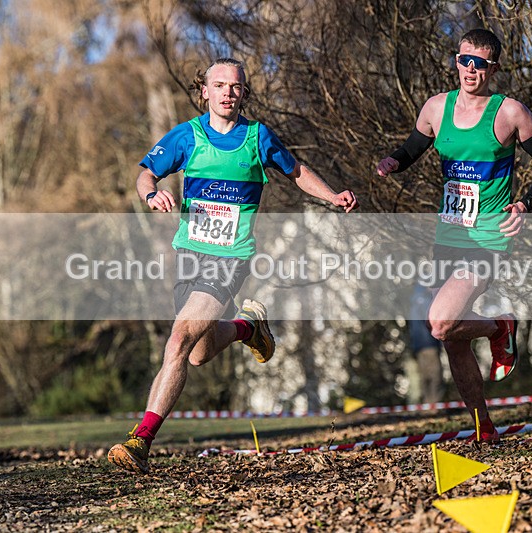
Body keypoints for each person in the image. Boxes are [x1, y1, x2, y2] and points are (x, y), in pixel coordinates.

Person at [109, 58, 358, 473]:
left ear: (244, 93)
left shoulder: (258, 138)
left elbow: (295, 171)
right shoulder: (186, 136)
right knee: (197, 354)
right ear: (204, 91)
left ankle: (141, 441)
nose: (228, 92)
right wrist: (151, 195)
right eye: (219, 85)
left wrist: (331, 196)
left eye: (236, 86)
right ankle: (248, 327)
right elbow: (145, 174)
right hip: (190, 255)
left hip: (231, 258)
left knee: (178, 340)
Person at [377, 29, 532, 442]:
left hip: (488, 238)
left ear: (493, 68)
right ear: (456, 60)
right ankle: (484, 425)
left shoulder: (509, 112)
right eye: (464, 60)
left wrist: (525, 203)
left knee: (440, 322)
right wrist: (392, 161)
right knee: (453, 341)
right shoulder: (436, 108)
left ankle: (499, 328)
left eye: (479, 63)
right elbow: (411, 149)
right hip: (449, 237)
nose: (470, 70)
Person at [408, 283, 445, 405]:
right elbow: (432, 322)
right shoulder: (426, 301)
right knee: (435, 375)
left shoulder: (413, 302)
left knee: (424, 377)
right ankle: (434, 404)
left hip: (418, 345)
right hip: (429, 343)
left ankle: (426, 404)